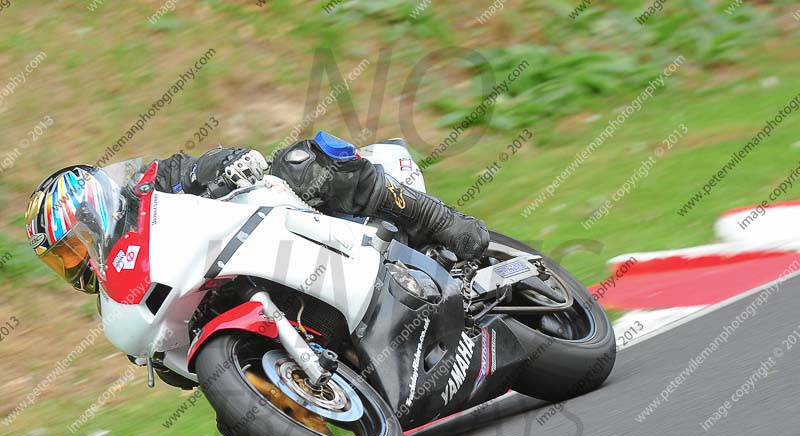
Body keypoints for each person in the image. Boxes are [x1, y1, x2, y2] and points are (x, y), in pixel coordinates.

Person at [25, 131, 490, 294]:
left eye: (72, 247)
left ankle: (441, 222)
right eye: (61, 262)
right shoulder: (123, 291)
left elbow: (191, 169)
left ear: (92, 211)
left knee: (303, 165)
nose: (75, 263)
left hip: (271, 222)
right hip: (238, 283)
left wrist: (227, 167)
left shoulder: (149, 187)